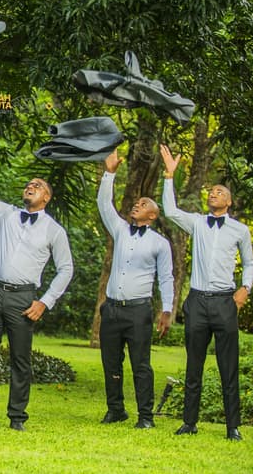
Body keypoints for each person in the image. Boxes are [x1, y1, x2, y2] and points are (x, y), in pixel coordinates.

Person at [0, 123, 73, 431]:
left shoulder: (54, 231)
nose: (30, 186)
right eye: (29, 183)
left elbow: (66, 269)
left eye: (37, 185)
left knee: (20, 360)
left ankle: (17, 417)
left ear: (46, 197)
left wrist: (46, 302)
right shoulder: (5, 214)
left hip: (24, 298)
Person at [160, 144, 253, 441]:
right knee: (194, 364)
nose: (213, 194)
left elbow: (250, 264)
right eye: (211, 192)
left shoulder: (240, 230)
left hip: (226, 302)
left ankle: (233, 427)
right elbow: (170, 211)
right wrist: (169, 175)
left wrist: (245, 289)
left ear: (228, 202)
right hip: (198, 302)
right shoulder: (197, 223)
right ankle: (189, 422)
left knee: (228, 366)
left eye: (219, 192)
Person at [96, 149, 174, 429]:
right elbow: (105, 205)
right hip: (113, 309)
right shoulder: (119, 230)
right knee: (110, 363)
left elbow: (166, 278)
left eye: (142, 204)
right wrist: (110, 173)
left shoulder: (159, 244)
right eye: (136, 203)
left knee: (141, 365)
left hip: (139, 311)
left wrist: (167, 309)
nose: (136, 205)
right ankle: (115, 410)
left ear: (152, 216)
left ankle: (145, 416)